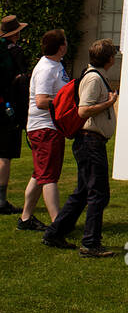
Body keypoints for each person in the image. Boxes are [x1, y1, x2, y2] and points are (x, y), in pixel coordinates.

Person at [42, 38, 119, 257]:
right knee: (98, 193)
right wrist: (109, 103)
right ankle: (90, 242)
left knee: (83, 192)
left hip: (89, 141)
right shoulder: (94, 79)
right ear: (110, 59)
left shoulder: (93, 75)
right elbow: (83, 111)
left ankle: (55, 232)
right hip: (90, 141)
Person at [18, 28, 69, 231]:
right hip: (44, 127)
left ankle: (25, 218)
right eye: (65, 41)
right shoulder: (47, 68)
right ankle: (57, 223)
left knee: (39, 174)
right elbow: (41, 101)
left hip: (49, 127)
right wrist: (66, 101)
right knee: (49, 176)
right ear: (61, 46)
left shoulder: (56, 65)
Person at [0, 14, 30, 215]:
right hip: (8, 108)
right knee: (4, 155)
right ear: (15, 33)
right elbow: (22, 82)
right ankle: (1, 200)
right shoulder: (16, 52)